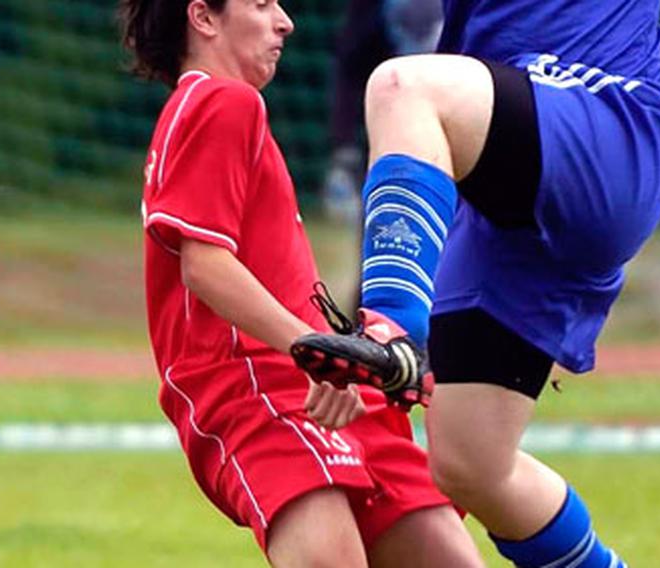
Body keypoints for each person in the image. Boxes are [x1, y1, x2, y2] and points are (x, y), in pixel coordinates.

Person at [291, 0, 660, 566]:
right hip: (511, 177)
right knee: (470, 462)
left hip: (610, 120)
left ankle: (393, 329)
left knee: (402, 86)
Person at [118, 1, 484, 566]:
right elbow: (205, 265)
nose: (284, 21)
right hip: (257, 386)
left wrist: (358, 360)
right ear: (204, 18)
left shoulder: (221, 109)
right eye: (261, 4)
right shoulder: (222, 100)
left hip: (321, 391)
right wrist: (315, 353)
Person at [322, 0, 444, 222]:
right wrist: (344, 144)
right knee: (387, 226)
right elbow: (350, 64)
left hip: (455, 126)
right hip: (392, 129)